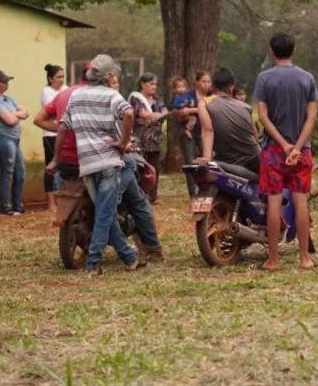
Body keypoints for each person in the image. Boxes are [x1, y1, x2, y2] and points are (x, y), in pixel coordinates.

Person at [53, 54, 140, 274]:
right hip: (109, 162)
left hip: (86, 164)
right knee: (104, 214)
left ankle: (129, 258)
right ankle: (94, 263)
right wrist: (123, 142)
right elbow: (128, 113)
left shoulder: (76, 96)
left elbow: (63, 127)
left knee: (105, 212)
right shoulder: (112, 96)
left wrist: (55, 158)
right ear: (110, 76)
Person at [254, 32, 318, 270]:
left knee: (274, 201)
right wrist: (297, 147)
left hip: (273, 150)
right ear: (294, 50)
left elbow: (262, 116)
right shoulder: (307, 78)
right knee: (301, 201)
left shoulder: (264, 78)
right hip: (303, 151)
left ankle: (273, 260)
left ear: (272, 51)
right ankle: (304, 258)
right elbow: (311, 117)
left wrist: (283, 145)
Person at [196, 67, 260, 173]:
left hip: (226, 162)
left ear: (213, 86)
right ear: (231, 87)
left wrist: (207, 159)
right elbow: (255, 136)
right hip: (253, 161)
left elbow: (208, 130)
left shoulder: (204, 104)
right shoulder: (246, 107)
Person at [0, 70, 29, 216]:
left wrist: (14, 114)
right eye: (4, 81)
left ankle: (17, 205)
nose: (7, 84)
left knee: (20, 172)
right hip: (3, 138)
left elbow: (25, 112)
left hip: (14, 139)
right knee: (7, 172)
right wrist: (16, 114)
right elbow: (10, 121)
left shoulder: (8, 99)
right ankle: (6, 207)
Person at [128, 73, 168, 203]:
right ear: (142, 84)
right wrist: (155, 115)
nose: (154, 87)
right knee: (141, 167)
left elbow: (165, 113)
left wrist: (155, 115)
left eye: (155, 84)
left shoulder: (157, 100)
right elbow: (143, 114)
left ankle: (153, 196)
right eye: (151, 84)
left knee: (154, 167)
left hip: (155, 139)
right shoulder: (136, 98)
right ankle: (141, 195)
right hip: (141, 138)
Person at [173, 71, 212, 197]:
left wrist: (192, 109)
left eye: (208, 81)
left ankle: (206, 190)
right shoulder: (187, 96)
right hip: (188, 131)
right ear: (196, 82)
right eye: (203, 81)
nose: (206, 84)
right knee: (190, 162)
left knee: (206, 160)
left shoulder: (212, 96)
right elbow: (179, 112)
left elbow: (211, 109)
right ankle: (193, 193)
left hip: (206, 132)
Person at [40, 64, 67, 211]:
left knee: (64, 167)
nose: (61, 80)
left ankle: (62, 198)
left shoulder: (66, 89)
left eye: (63, 76)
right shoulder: (46, 92)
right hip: (51, 134)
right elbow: (53, 113)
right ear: (51, 79)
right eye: (58, 77)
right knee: (51, 167)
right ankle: (50, 201)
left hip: (64, 132)